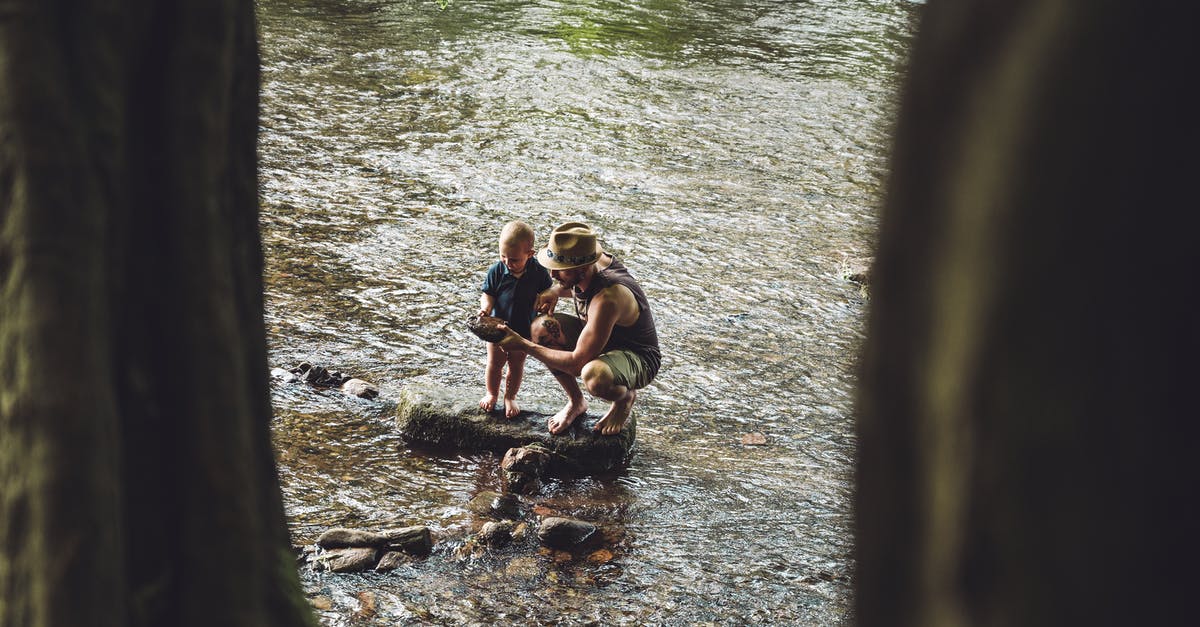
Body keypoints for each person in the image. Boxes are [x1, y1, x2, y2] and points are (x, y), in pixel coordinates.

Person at [497, 222, 660, 435]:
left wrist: (523, 345)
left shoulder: (608, 298)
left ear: (582, 268)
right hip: (600, 337)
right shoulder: (584, 256)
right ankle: (576, 402)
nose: (553, 274)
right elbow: (571, 282)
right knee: (541, 328)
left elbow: (576, 364)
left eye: (560, 270)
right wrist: (555, 291)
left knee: (594, 376)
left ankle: (624, 399)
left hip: (638, 357)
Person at [478, 221, 552, 417]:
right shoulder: (497, 270)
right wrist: (486, 308)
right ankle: (491, 393)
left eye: (514, 260)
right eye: (503, 256)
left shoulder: (539, 272)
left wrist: (545, 305)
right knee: (494, 363)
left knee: (516, 365)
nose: (507, 263)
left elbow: (549, 292)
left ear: (530, 254)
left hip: (523, 329)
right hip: (498, 328)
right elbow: (488, 293)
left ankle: (510, 396)